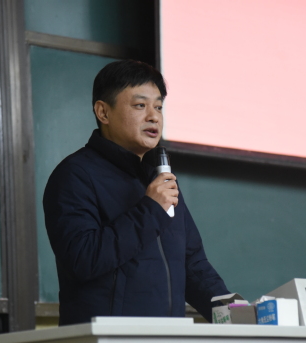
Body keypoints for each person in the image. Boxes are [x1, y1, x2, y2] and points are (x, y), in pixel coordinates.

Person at [43, 60, 229, 326]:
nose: (154, 117)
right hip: (108, 340)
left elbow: (193, 266)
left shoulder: (159, 181)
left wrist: (234, 315)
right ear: (103, 112)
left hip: (168, 338)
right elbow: (82, 259)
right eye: (140, 105)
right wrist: (150, 210)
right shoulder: (75, 175)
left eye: (158, 107)